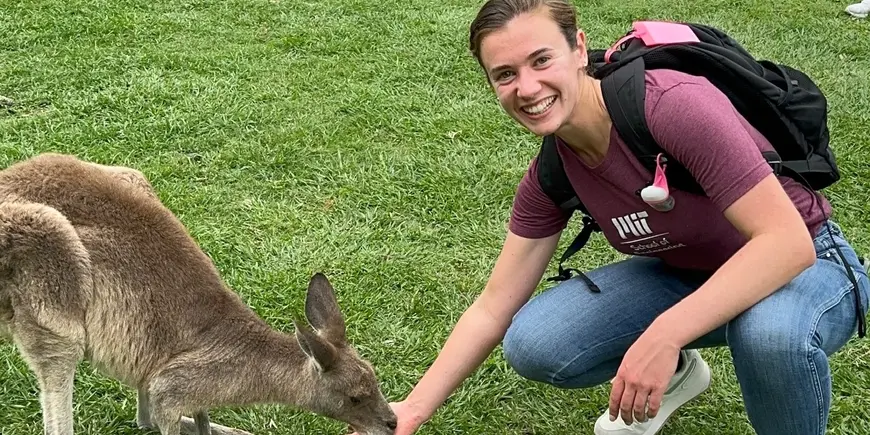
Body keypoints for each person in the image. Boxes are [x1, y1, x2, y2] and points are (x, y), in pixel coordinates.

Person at [356, 1, 870, 434]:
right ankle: (679, 374)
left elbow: (786, 244)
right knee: (536, 343)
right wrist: (411, 410)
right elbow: (494, 308)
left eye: (541, 60)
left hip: (809, 263)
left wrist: (663, 334)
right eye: (505, 75)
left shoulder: (671, 104)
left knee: (769, 334)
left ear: (579, 49)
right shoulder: (553, 174)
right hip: (687, 274)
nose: (528, 88)